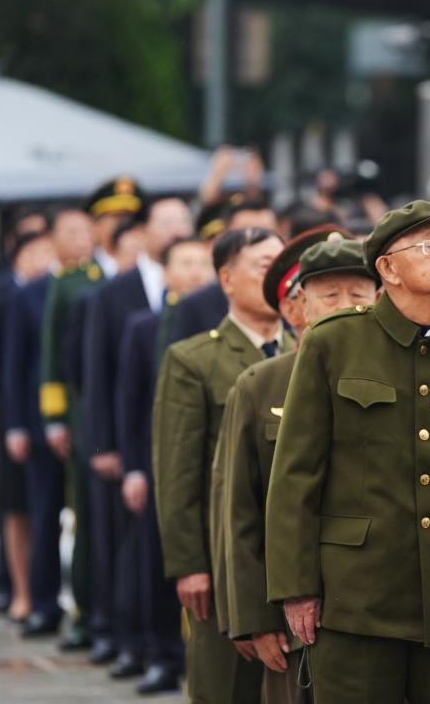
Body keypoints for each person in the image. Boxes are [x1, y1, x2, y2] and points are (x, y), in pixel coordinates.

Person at [265, 201, 430, 704]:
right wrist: (297, 586)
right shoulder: (335, 343)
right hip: (359, 598)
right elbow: (296, 476)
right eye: (429, 246)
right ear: (388, 269)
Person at [216, 232, 376, 704]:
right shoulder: (259, 385)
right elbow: (240, 512)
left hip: (374, 606)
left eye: (359, 294)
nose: (346, 306)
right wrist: (253, 618)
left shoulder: (403, 377)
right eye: (330, 296)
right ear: (297, 308)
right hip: (289, 610)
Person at [154, 227, 284, 704]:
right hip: (224, 557)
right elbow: (178, 471)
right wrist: (190, 565)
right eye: (264, 268)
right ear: (227, 279)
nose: (278, 281)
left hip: (291, 559)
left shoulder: (307, 353)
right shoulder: (193, 360)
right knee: (226, 684)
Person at [81, 195, 193, 672]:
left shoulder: (207, 296)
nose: (175, 228)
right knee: (126, 545)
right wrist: (107, 446)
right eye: (165, 222)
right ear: (144, 231)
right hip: (133, 442)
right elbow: (101, 376)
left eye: (182, 221)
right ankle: (129, 637)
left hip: (182, 442)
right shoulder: (113, 292)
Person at [38, 178, 148, 653]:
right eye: (111, 220)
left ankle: (131, 623)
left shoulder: (150, 277)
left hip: (140, 418)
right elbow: (55, 355)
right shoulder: (76, 282)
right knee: (93, 523)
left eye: (130, 220)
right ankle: (92, 616)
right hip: (92, 421)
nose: (120, 227)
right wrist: (57, 417)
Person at [116, 236, 215, 695]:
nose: (195, 271)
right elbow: (131, 402)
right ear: (166, 272)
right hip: (159, 458)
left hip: (210, 460)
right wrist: (134, 467)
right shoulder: (145, 326)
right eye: (185, 263)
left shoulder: (220, 322)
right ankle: (160, 653)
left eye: (203, 262)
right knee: (159, 558)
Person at [4, 206, 96, 637]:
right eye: (70, 231)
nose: (81, 238)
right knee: (42, 513)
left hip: (86, 421)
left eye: (85, 230)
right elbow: (29, 363)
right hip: (43, 422)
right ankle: (42, 601)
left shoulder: (98, 281)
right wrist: (37, 420)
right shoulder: (40, 289)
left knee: (84, 516)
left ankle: (85, 605)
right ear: (53, 238)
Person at [0, 229, 53, 623]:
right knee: (16, 505)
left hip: (50, 415)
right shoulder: (0, 295)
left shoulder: (57, 290)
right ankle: (19, 591)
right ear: (18, 257)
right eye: (38, 250)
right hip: (12, 411)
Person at [165, 195, 283, 347]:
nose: (261, 243)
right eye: (249, 234)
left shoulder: (293, 299)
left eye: (267, 232)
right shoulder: (195, 306)